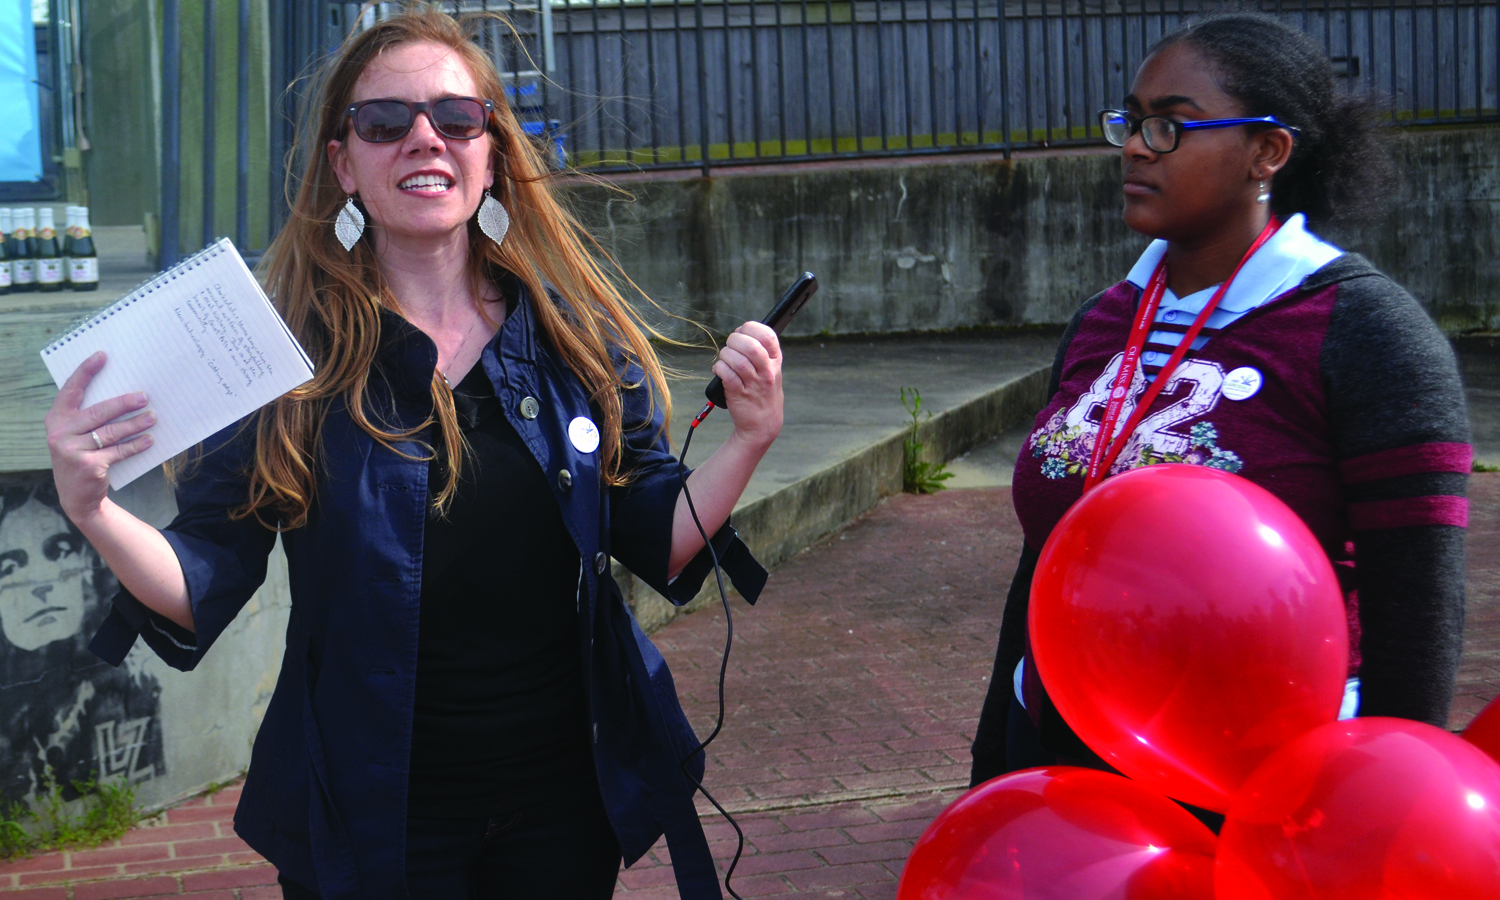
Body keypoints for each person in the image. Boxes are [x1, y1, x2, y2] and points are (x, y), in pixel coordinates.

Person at [44, 8, 782, 899]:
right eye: (385, 121)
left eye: (457, 117)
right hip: (376, 824)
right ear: (343, 164)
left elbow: (655, 530)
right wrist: (92, 508)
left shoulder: (575, 345)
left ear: (491, 153)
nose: (424, 138)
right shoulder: (289, 369)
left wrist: (749, 438)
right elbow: (205, 569)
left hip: (561, 809)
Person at [970, 12, 1471, 788]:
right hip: (1061, 755)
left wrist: (1378, 806)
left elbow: (1416, 617)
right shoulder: (1105, 319)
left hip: (1255, 779)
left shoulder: (1368, 332)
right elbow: (1046, 562)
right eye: (1132, 122)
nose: (1138, 147)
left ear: (1267, 152)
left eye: (1171, 126)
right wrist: (995, 766)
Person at [0, 480, 164, 806]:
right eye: (9, 566)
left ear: (87, 563)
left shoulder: (132, 688)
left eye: (60, 551)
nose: (41, 583)